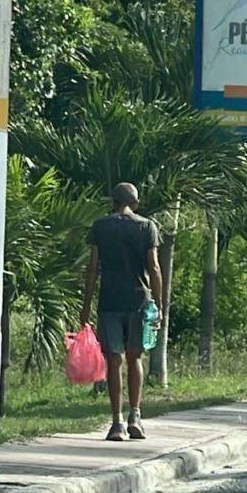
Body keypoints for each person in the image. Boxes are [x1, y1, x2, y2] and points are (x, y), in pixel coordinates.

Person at [82, 182, 163, 441]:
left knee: (114, 359)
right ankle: (135, 416)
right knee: (135, 357)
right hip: (139, 301)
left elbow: (93, 268)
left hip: (109, 301)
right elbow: (154, 268)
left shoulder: (100, 227)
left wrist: (86, 307)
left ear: (113, 202)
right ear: (135, 203)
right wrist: (159, 305)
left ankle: (117, 422)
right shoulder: (147, 226)